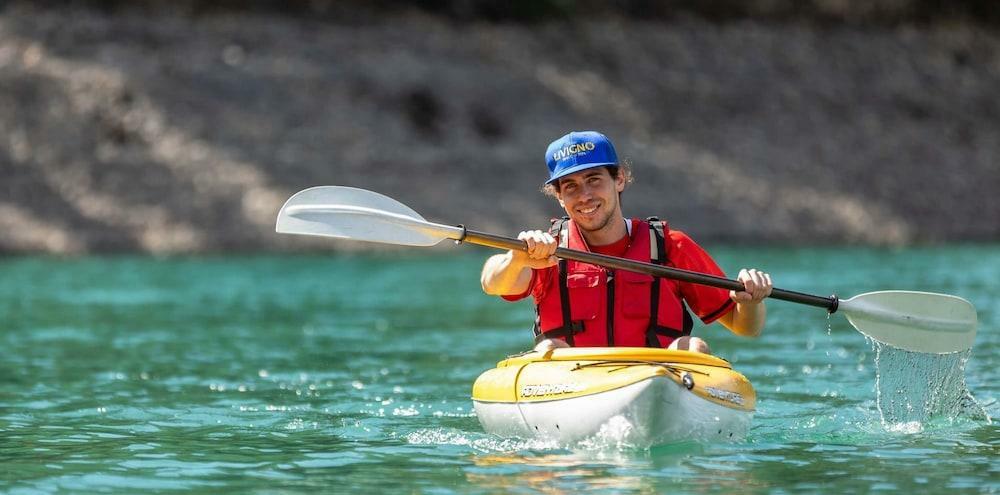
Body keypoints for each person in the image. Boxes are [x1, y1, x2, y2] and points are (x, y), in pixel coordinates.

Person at [480, 130, 772, 354]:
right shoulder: (545, 249)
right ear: (559, 197)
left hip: (657, 381)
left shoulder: (670, 246)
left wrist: (751, 301)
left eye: (594, 179)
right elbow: (492, 283)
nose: (584, 196)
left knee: (693, 347)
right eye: (571, 187)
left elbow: (744, 326)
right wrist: (517, 257)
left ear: (619, 179)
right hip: (572, 386)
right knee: (549, 349)